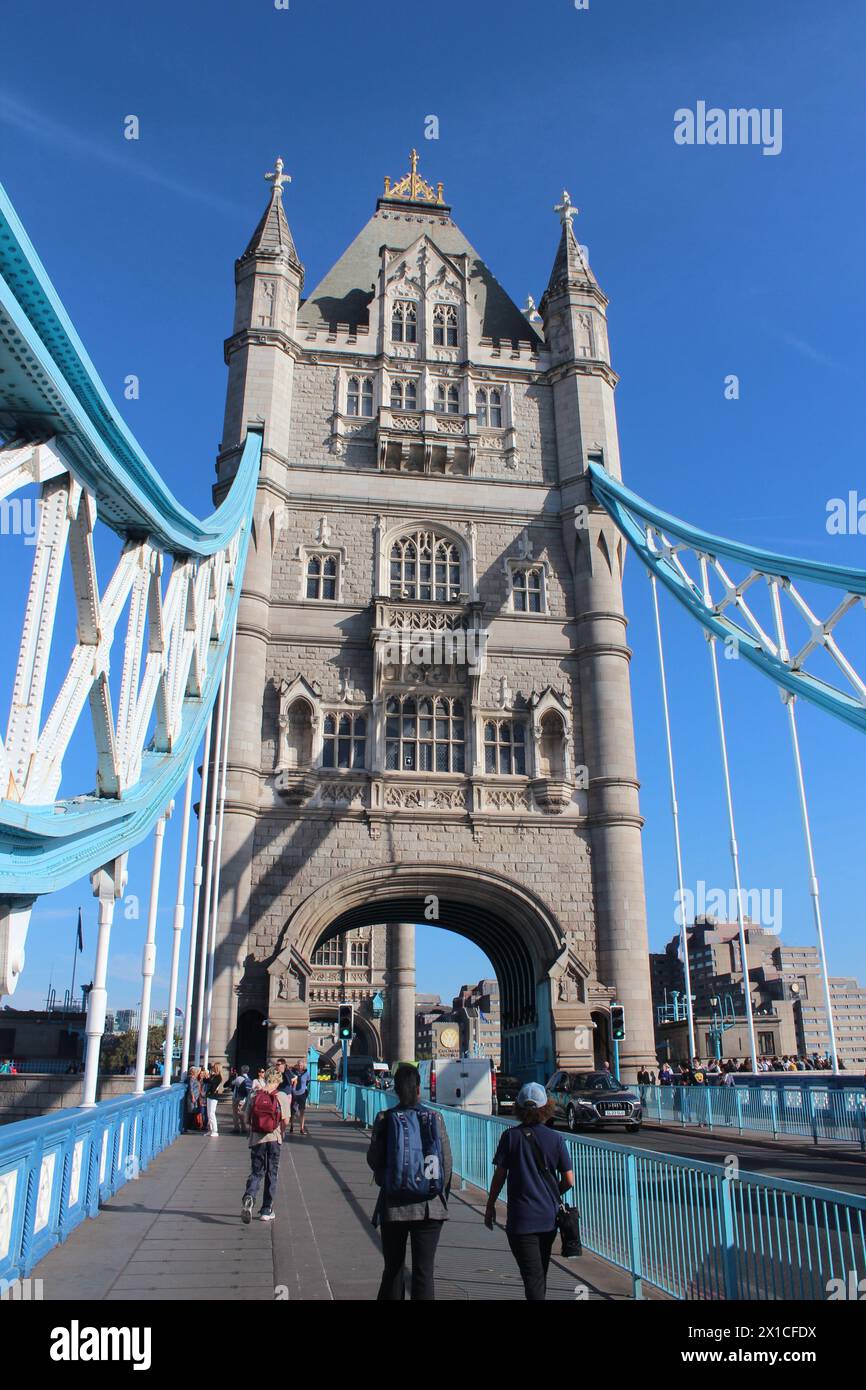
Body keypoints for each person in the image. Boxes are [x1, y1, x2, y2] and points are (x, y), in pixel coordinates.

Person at [366, 1062, 452, 1300]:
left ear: (394, 1090)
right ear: (418, 1090)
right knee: (424, 1272)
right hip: (430, 1208)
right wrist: (438, 1193)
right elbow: (446, 1163)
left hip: (394, 1206)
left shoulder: (384, 1118)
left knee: (393, 1269)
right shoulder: (435, 1117)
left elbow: (373, 1160)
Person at [485, 1082, 575, 1302]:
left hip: (521, 1220)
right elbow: (569, 1180)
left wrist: (490, 1206)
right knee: (539, 1273)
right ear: (547, 1107)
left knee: (532, 1278)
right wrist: (553, 1193)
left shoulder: (510, 1137)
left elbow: (500, 1177)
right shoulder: (556, 1139)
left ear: (519, 1108)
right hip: (548, 1219)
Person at [241, 1066, 291, 1223]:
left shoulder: (255, 1094)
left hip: (257, 1139)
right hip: (274, 1139)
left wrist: (252, 1129)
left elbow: (245, 1116)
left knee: (256, 1172)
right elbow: (286, 1120)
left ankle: (250, 1196)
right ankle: (266, 1209)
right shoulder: (281, 1095)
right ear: (278, 1081)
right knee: (271, 1173)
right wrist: (280, 1132)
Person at [289, 1058, 310, 1136]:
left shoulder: (307, 1073)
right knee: (293, 1112)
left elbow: (308, 1081)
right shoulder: (293, 1072)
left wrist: (305, 1089)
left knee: (302, 1111)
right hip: (294, 1093)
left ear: (303, 1065)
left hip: (302, 1093)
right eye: (299, 1065)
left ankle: (301, 1129)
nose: (300, 1066)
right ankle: (291, 1126)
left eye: (301, 1065)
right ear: (297, 1065)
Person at [204, 1061, 224, 1138]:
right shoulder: (214, 1076)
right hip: (210, 1095)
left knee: (212, 1113)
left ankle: (215, 1130)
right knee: (209, 1113)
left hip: (213, 1096)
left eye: (213, 1067)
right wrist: (207, 1076)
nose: (212, 1068)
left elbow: (213, 1085)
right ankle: (210, 1129)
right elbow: (206, 1081)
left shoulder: (218, 1077)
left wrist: (209, 1078)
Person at [232, 1065, 253, 1134]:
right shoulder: (249, 1079)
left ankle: (236, 1128)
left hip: (237, 1098)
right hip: (245, 1099)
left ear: (241, 1070)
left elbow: (232, 1083)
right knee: (242, 1113)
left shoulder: (239, 1078)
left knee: (235, 1113)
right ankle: (244, 1128)